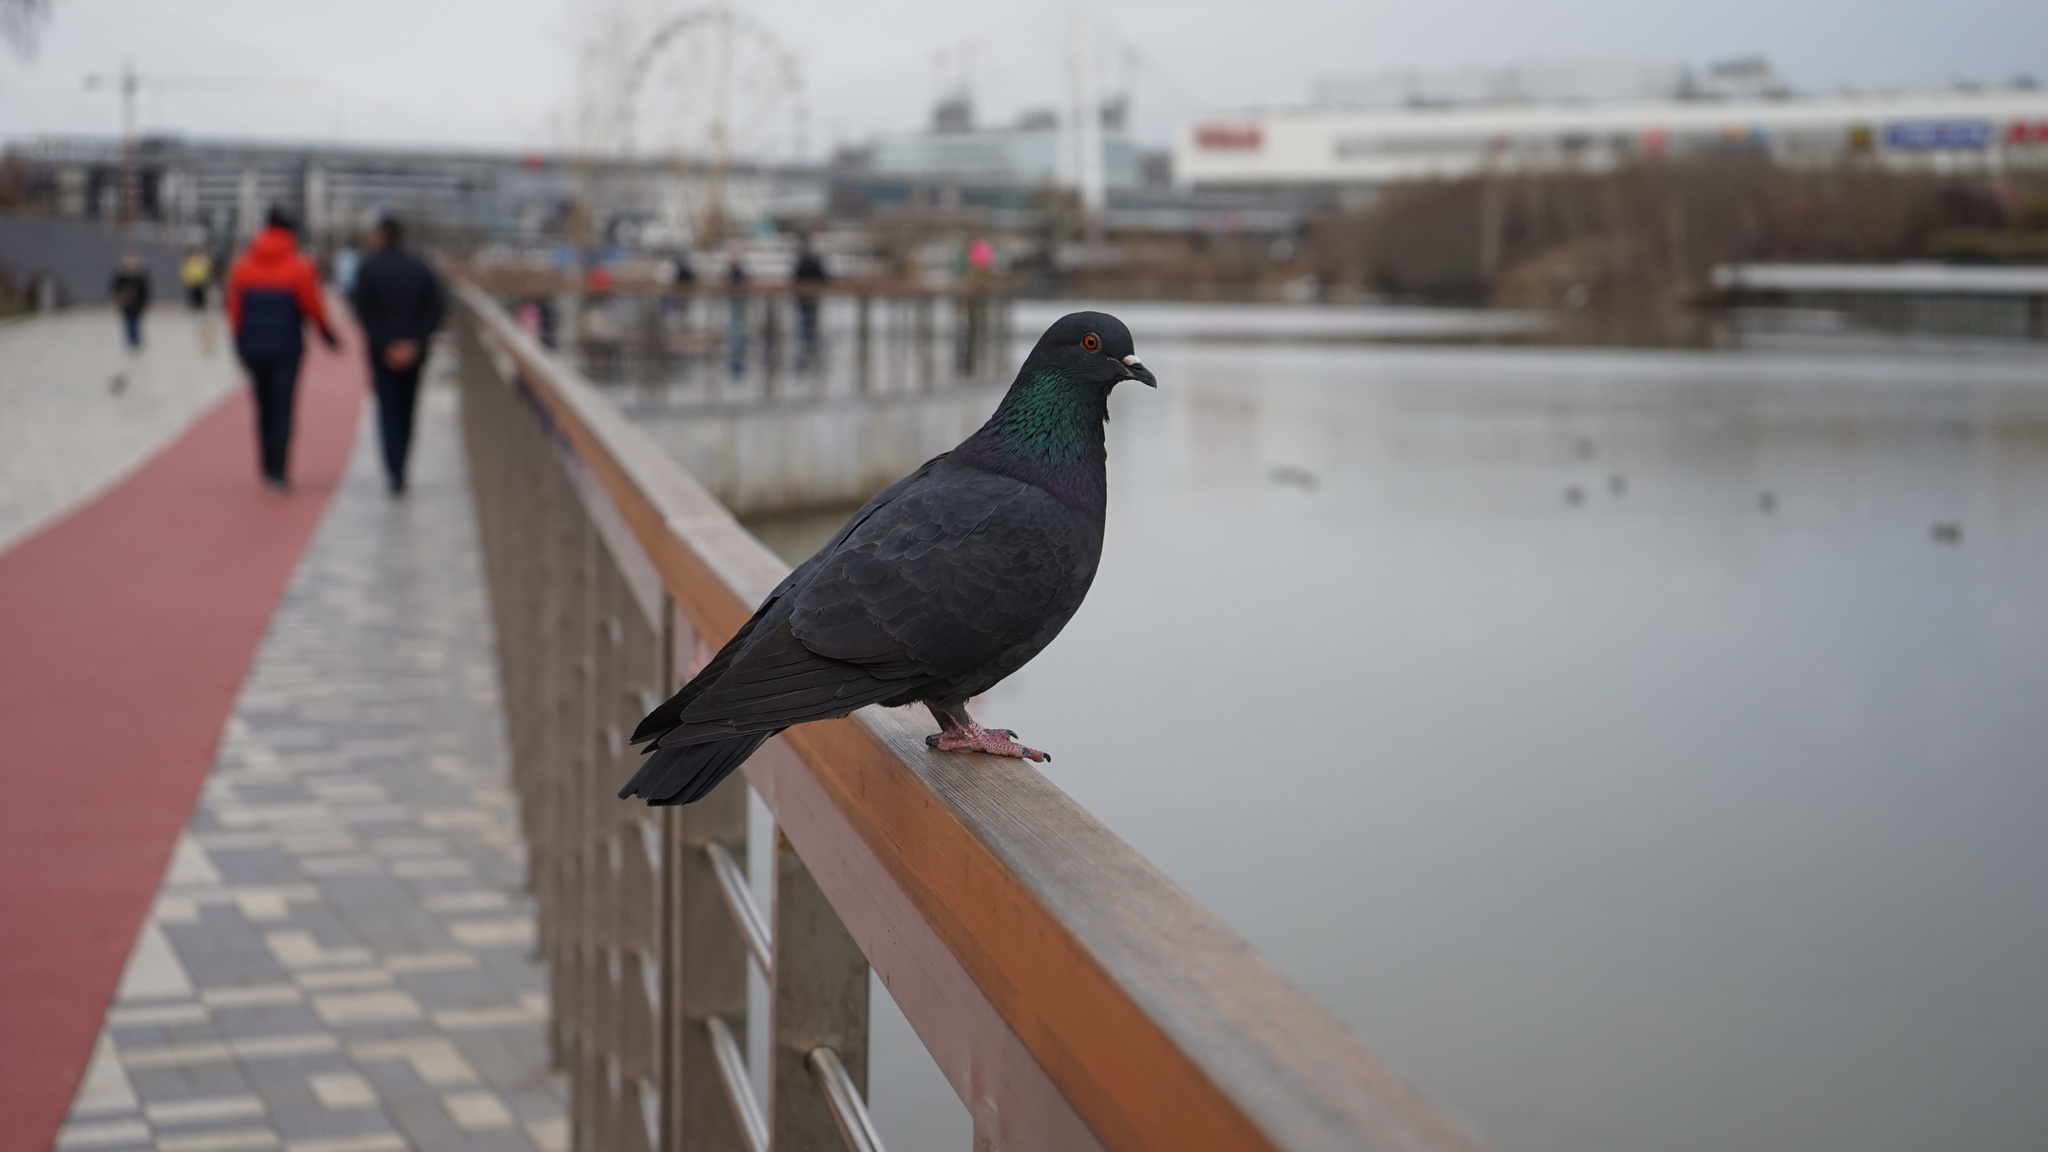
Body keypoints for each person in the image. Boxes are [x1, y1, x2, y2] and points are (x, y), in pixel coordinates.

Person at [226, 208, 338, 491]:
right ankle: (279, 471)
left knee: (262, 407)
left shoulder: (243, 266)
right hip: (287, 348)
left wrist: (239, 345)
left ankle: (265, 468)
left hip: (253, 347)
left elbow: (234, 311)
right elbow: (312, 306)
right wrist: (327, 335)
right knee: (283, 409)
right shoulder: (300, 266)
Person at [348, 216, 445, 494]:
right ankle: (402, 464)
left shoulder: (369, 267)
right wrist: (414, 342)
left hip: (382, 353)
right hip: (414, 354)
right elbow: (435, 307)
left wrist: (387, 344)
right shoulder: (420, 266)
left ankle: (394, 469)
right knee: (407, 409)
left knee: (387, 409)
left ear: (381, 234)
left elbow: (362, 310)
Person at [792, 235, 826, 371]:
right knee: (808, 331)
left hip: (807, 302)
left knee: (806, 331)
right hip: (807, 302)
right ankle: (810, 360)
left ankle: (808, 360)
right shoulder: (812, 261)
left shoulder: (804, 262)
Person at [110, 250, 150, 349]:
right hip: (126, 304)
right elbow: (115, 289)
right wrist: (116, 299)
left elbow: (145, 291)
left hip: (137, 304)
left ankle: (136, 339)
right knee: (128, 322)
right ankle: (130, 339)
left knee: (136, 321)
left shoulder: (140, 276)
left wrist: (146, 302)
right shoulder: (121, 276)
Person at [180, 245, 211, 310]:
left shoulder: (203, 259)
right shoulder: (191, 259)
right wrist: (187, 277)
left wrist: (206, 277)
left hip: (201, 280)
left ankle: (201, 307)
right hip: (192, 280)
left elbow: (207, 269)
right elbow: (186, 268)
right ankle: (193, 307)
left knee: (201, 295)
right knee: (193, 295)